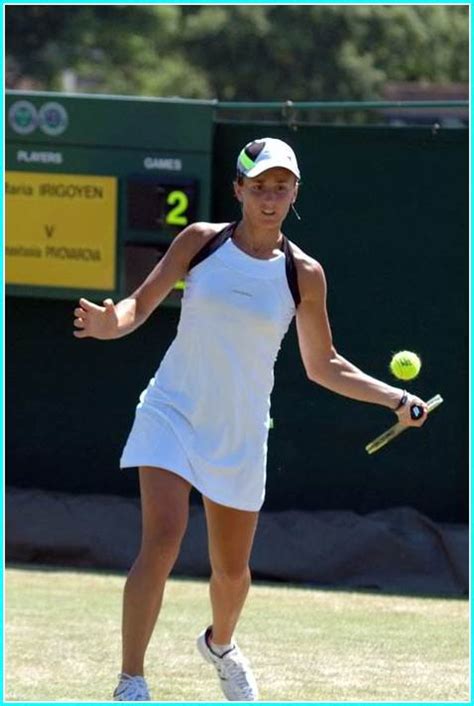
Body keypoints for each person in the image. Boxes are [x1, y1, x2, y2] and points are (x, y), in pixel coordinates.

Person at [73, 137, 428, 702]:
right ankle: (131, 680)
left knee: (232, 574)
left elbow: (324, 364)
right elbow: (139, 305)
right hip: (173, 409)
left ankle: (219, 645)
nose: (269, 197)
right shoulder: (200, 242)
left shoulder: (304, 274)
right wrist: (108, 323)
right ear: (238, 189)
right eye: (258, 186)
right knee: (162, 539)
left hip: (239, 432)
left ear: (294, 194)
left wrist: (393, 398)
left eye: (280, 187)